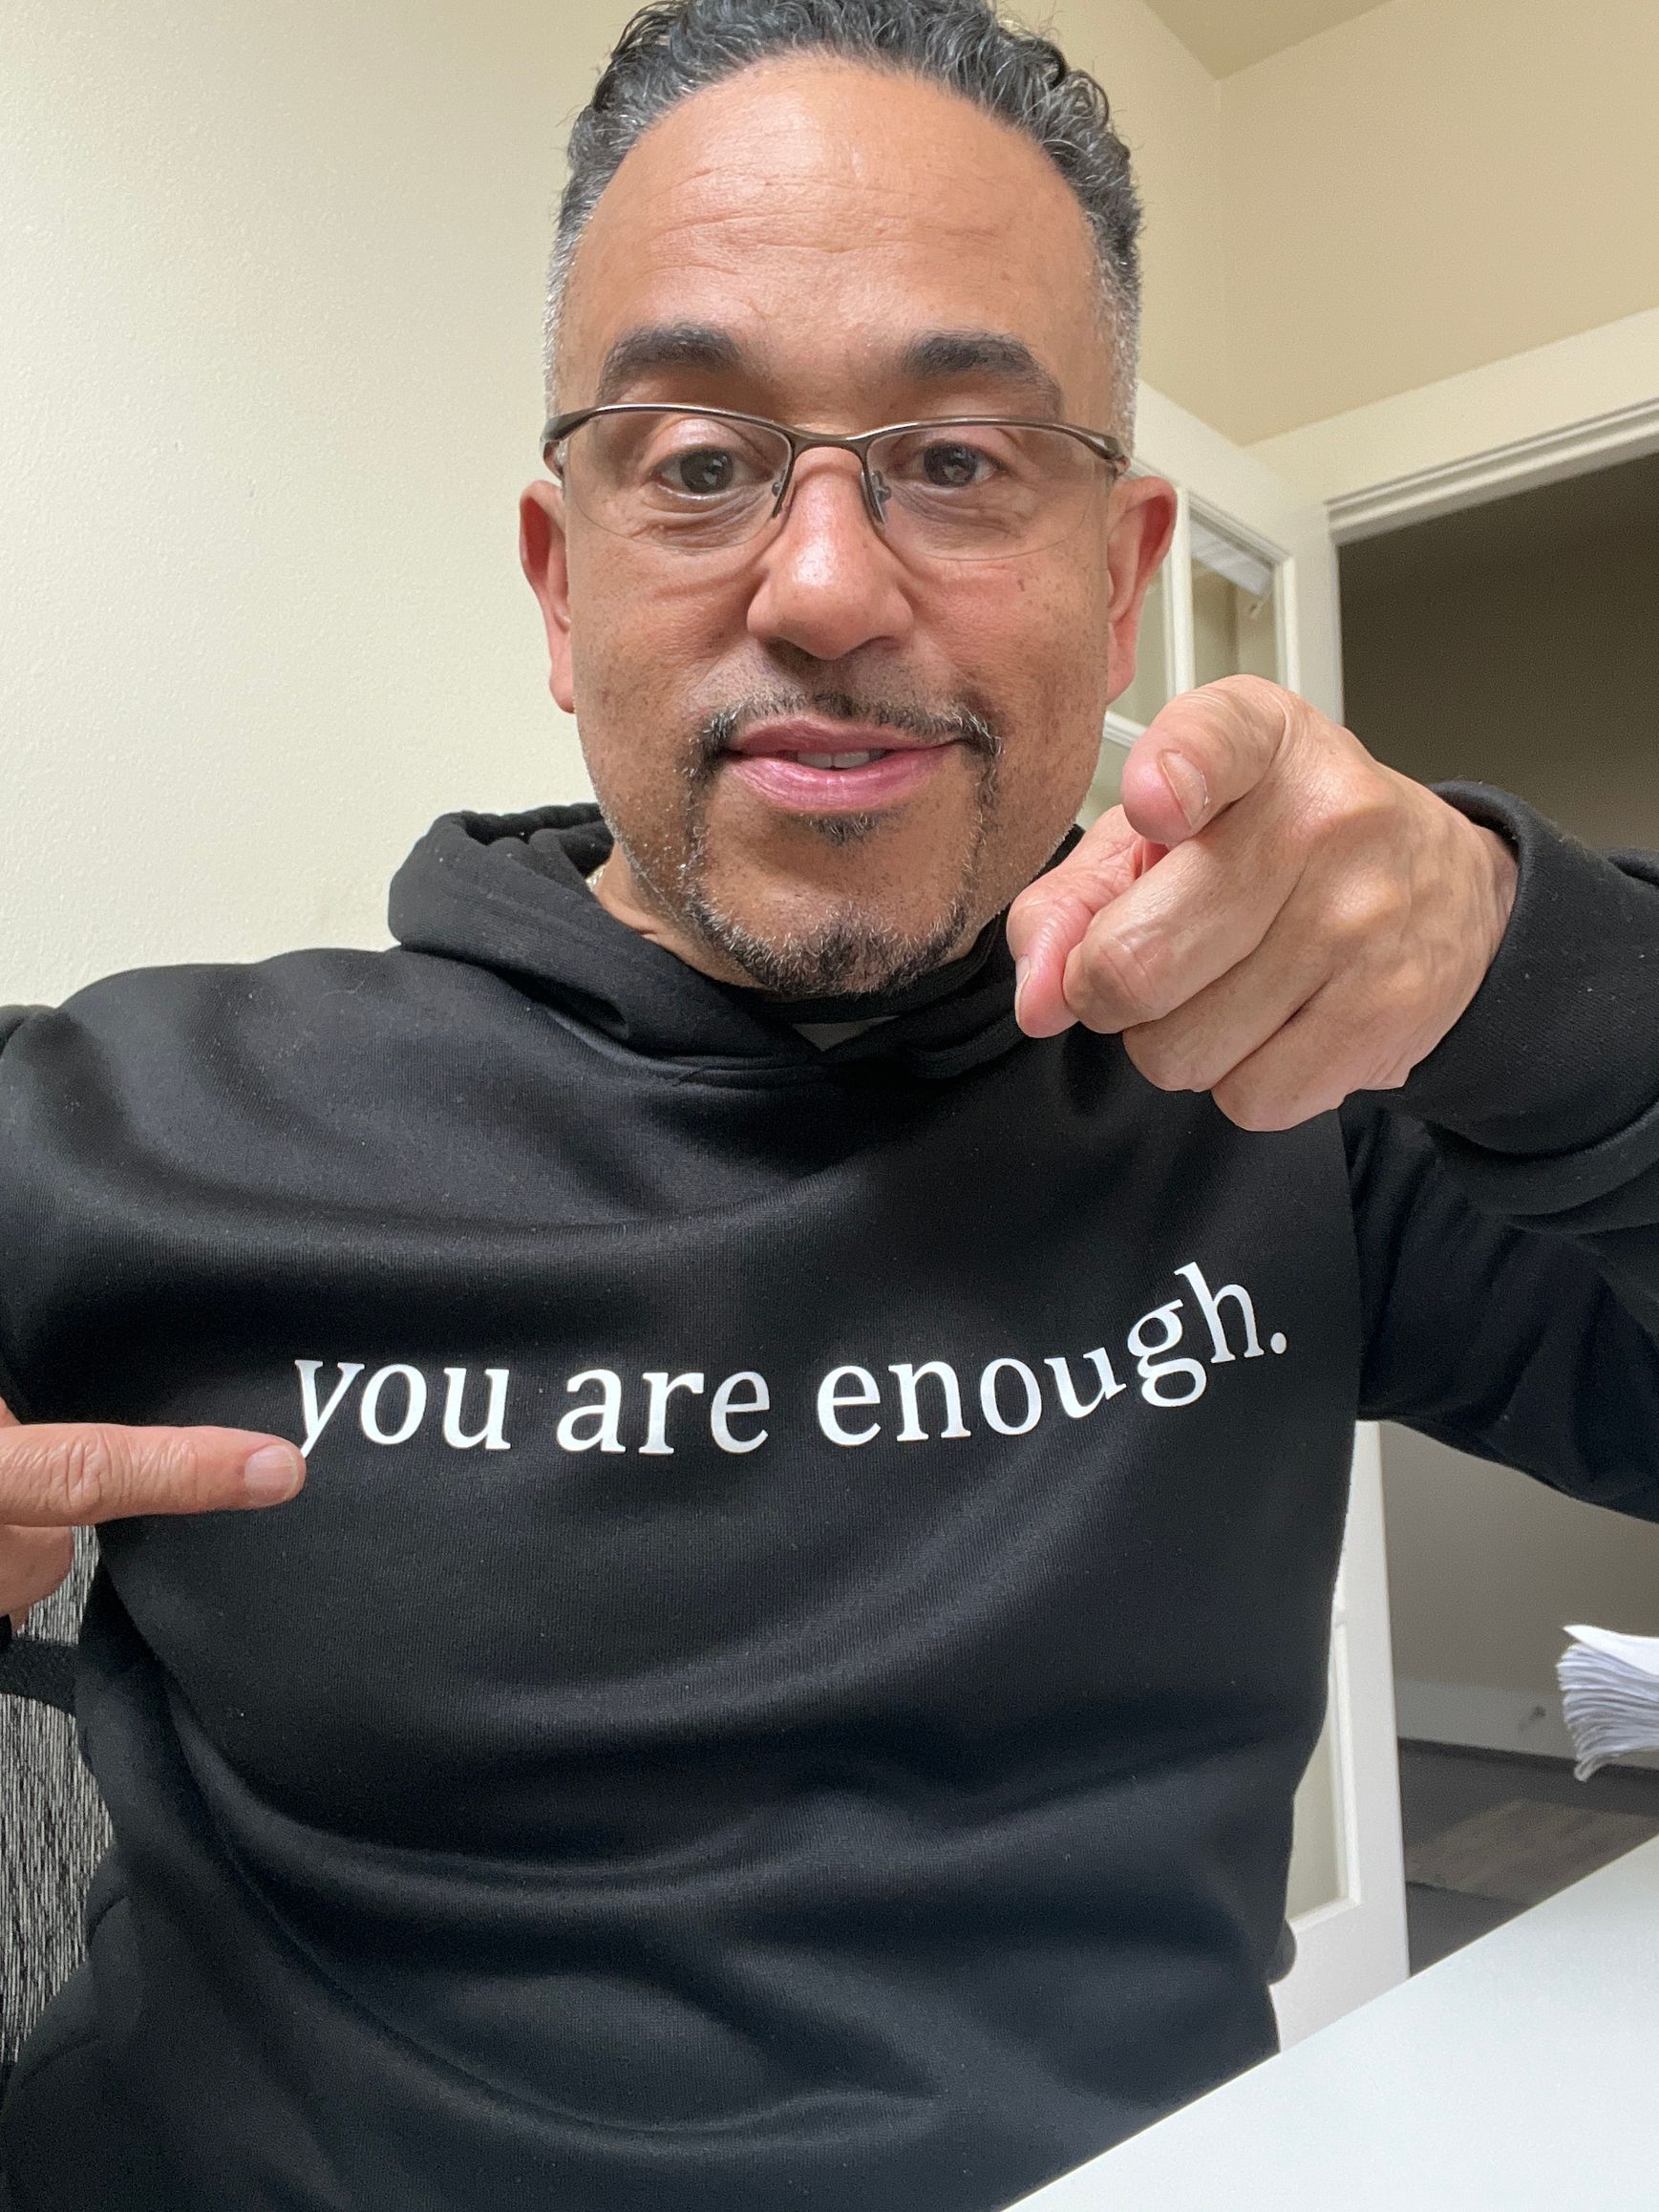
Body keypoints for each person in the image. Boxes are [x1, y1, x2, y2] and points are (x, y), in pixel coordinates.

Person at [2, 0, 1657, 2205]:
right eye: (692, 462)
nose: (821, 585)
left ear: (1122, 573)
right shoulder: (126, 1110)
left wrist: (1537, 985)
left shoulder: (1284, 1101)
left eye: (959, 460)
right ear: (558, 578)